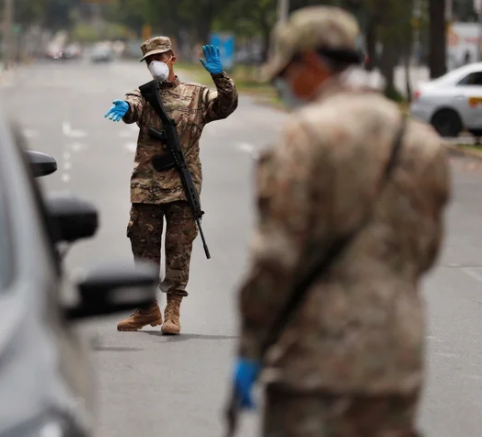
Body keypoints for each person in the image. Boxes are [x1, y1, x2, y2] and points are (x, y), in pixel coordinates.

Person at [230, 6, 450, 436]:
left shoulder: (306, 136)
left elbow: (276, 258)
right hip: (396, 359)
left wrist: (252, 346)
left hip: (315, 364)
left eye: (287, 70)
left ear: (311, 61)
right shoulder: (421, 142)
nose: (284, 83)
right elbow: (425, 252)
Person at [105, 36, 238, 335]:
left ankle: (172, 312)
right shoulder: (143, 94)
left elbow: (226, 106)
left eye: (160, 57)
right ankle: (146, 308)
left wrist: (219, 76)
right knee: (143, 249)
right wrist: (125, 107)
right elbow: (134, 107)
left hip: (182, 187)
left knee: (179, 250)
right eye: (150, 60)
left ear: (172, 58)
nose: (156, 64)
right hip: (146, 187)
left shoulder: (197, 96)